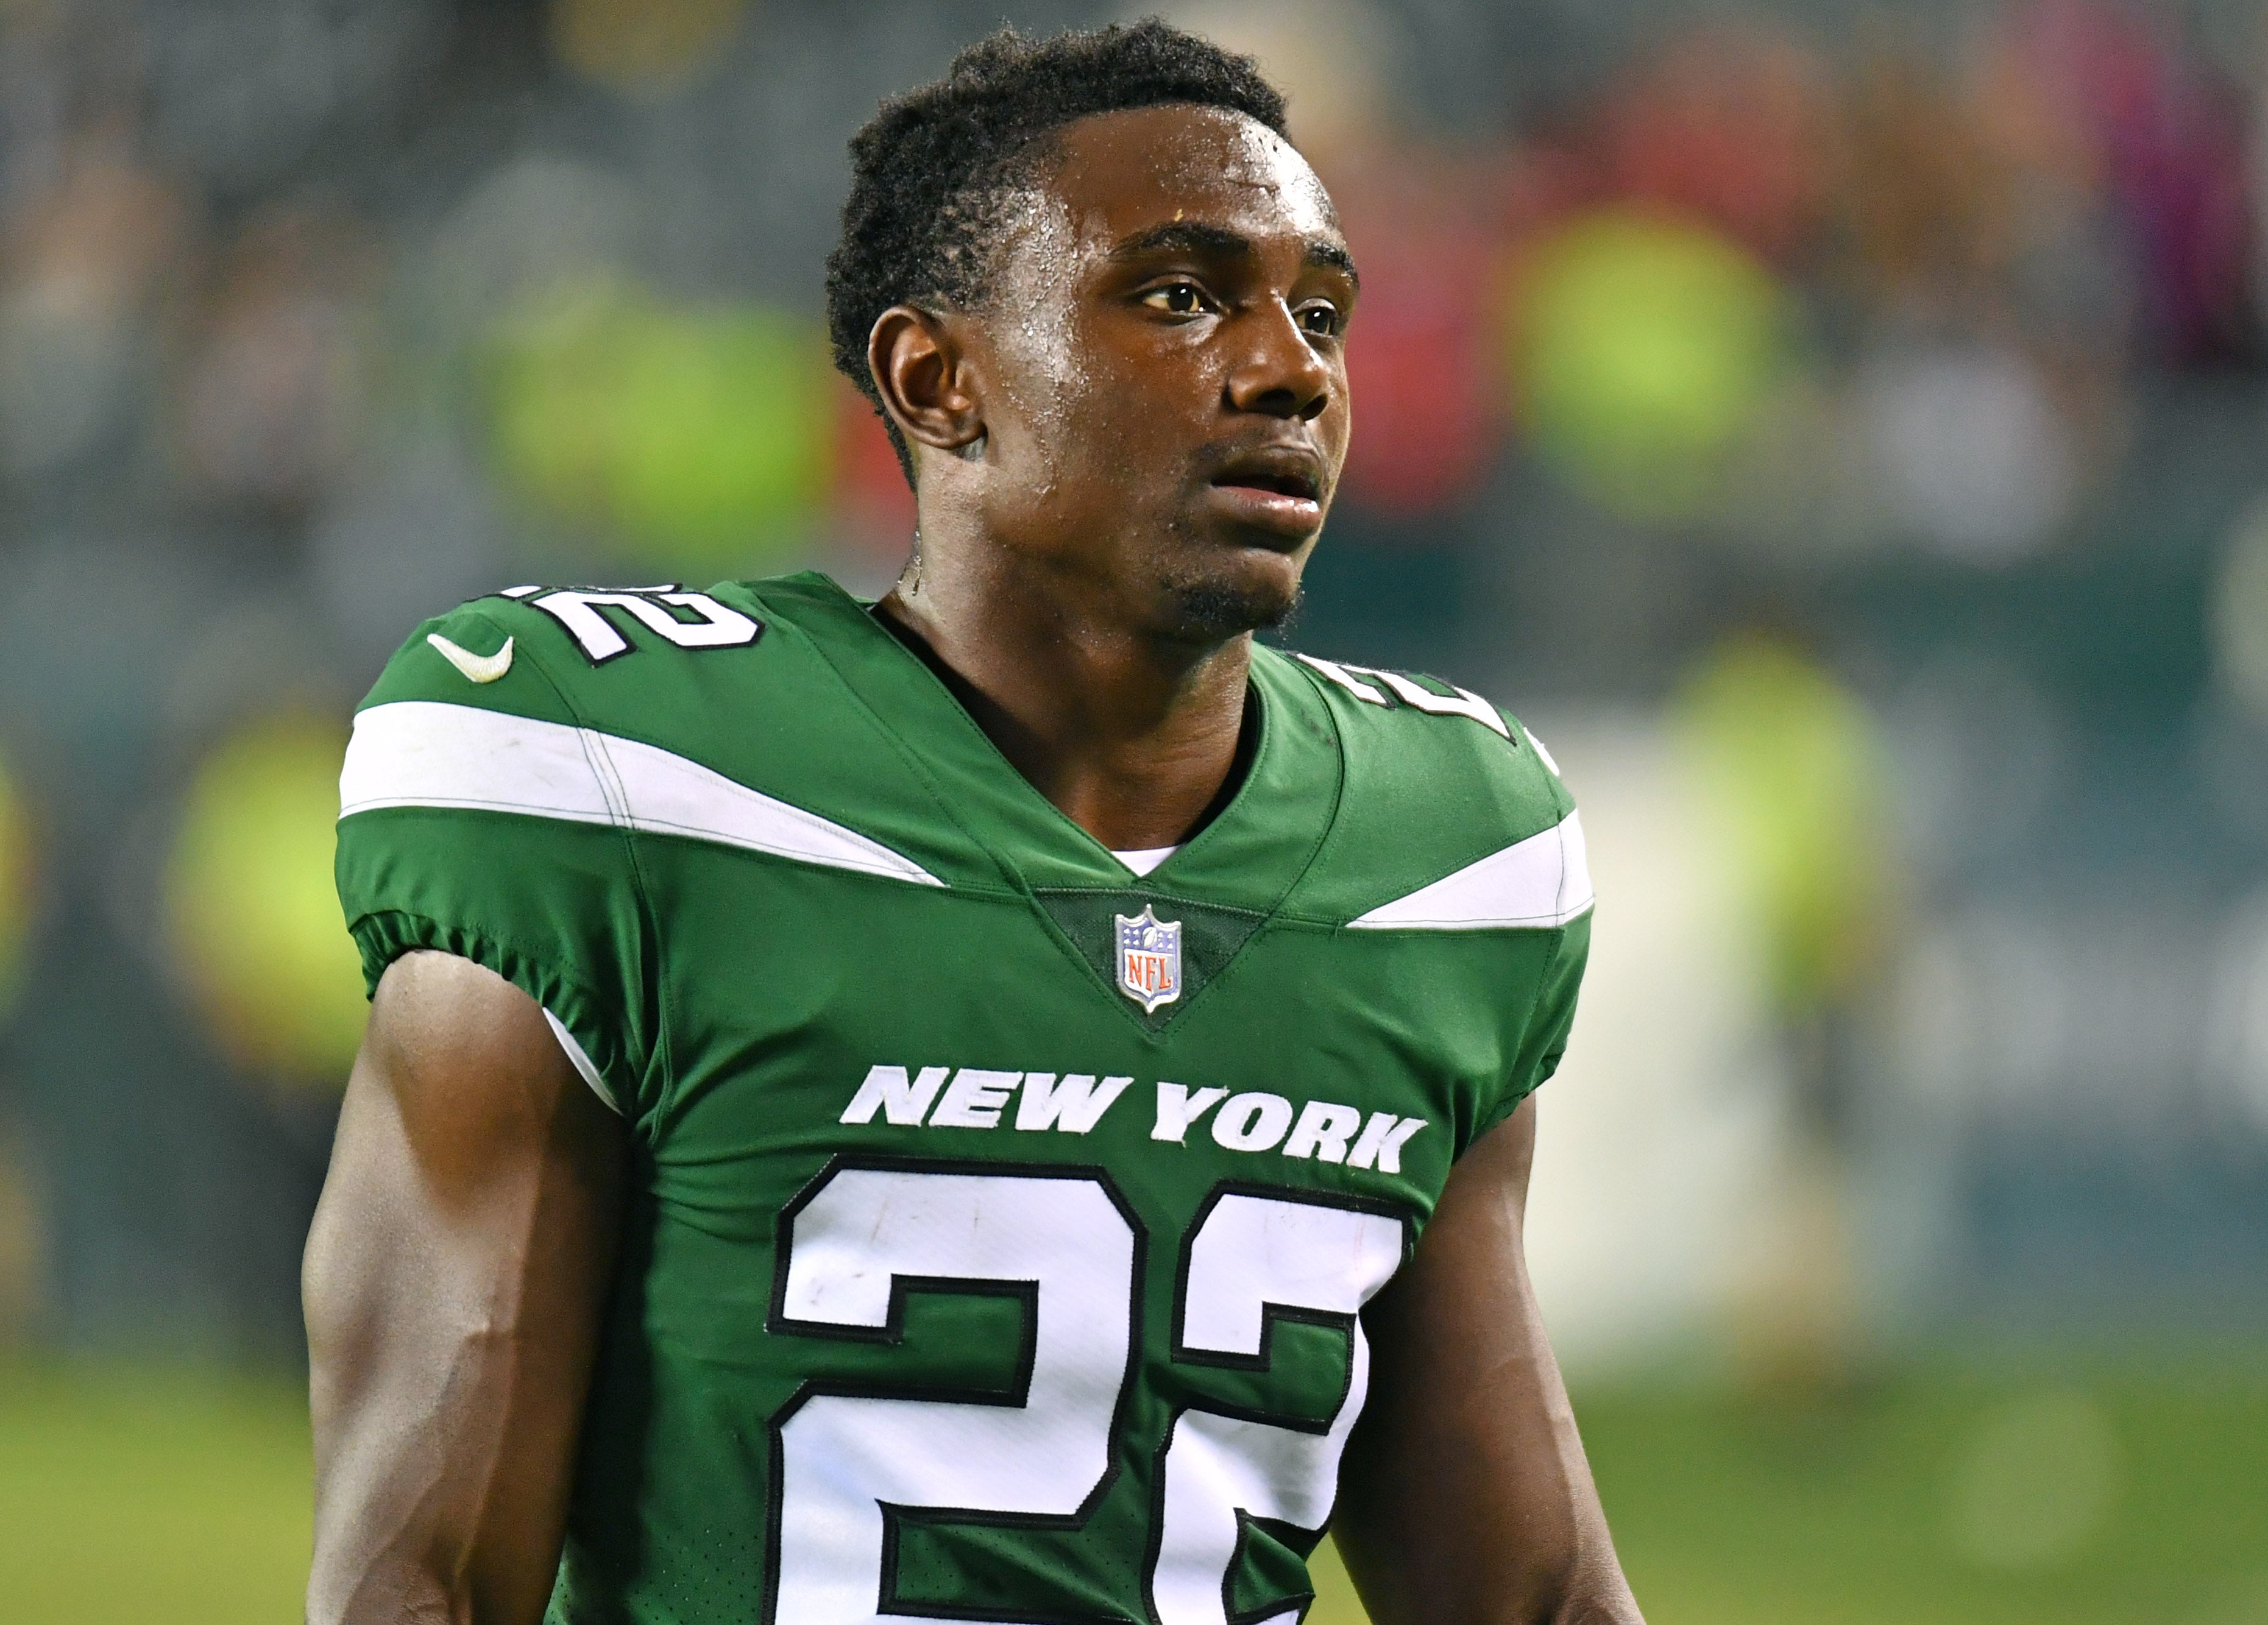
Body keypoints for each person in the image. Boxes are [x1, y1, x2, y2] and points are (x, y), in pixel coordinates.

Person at [305, 21, 1639, 1625]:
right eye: (1180, 296)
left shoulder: (1448, 858)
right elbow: (421, 1580)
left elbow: (1530, 1592)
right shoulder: (619, 779)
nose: (1290, 369)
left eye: (1322, 312)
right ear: (938, 382)